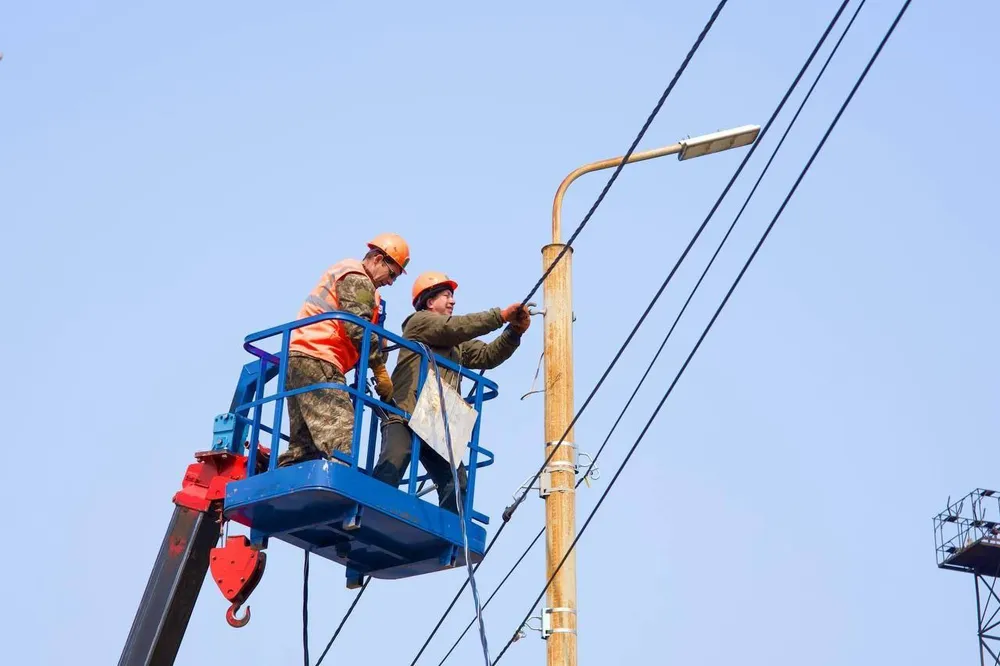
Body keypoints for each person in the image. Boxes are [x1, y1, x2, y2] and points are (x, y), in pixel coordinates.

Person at [372, 271, 531, 512]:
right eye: (446, 295)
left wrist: (514, 332)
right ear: (429, 301)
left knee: (456, 483)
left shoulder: (454, 343)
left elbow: (486, 355)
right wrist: (499, 316)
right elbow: (456, 328)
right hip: (404, 413)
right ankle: (371, 512)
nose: (452, 301)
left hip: (435, 420)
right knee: (392, 464)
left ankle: (450, 536)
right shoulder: (418, 322)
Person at [277, 233, 410, 468]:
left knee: (303, 447)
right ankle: (339, 483)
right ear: (378, 259)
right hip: (320, 357)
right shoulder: (358, 278)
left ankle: (285, 482)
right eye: (392, 274)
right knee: (340, 434)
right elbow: (357, 328)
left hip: (300, 356)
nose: (390, 282)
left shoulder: (347, 273)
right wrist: (379, 370)